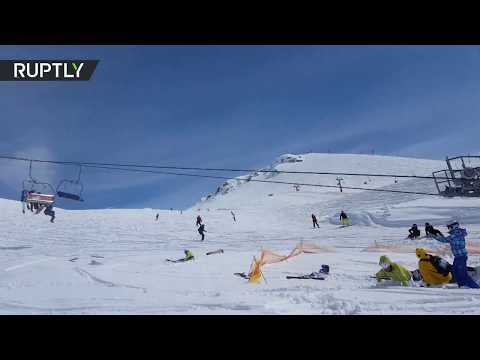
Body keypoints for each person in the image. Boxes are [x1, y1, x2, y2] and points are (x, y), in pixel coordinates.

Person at [433, 221, 479, 288]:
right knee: (455, 272)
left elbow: (445, 240)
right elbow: (447, 239)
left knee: (463, 275)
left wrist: (434, 236)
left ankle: (475, 288)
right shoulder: (458, 233)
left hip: (461, 258)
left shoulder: (455, 234)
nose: (449, 229)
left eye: (449, 227)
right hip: (458, 257)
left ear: (453, 227)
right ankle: (460, 286)